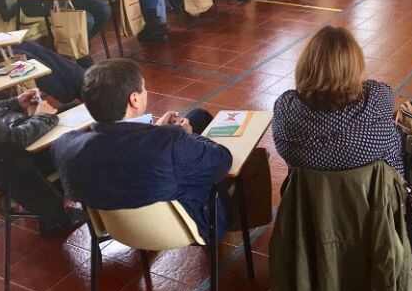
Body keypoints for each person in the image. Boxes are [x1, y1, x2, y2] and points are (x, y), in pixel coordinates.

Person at [52, 59, 272, 240]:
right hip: (188, 226)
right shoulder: (172, 142)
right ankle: (247, 215)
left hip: (119, 229)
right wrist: (188, 136)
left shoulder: (65, 147)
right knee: (243, 160)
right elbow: (222, 161)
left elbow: (118, 152)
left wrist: (155, 132)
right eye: (143, 88)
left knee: (198, 115)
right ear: (134, 99)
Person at [272, 26, 403, 176]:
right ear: (355, 66)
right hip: (375, 196)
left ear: (306, 65)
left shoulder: (285, 109)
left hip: (310, 198)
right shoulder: (377, 97)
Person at [0, 88, 87, 237]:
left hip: (8, 146)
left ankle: (57, 200)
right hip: (9, 166)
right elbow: (12, 141)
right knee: (71, 143)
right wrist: (42, 117)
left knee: (70, 110)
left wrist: (16, 102)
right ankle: (56, 214)